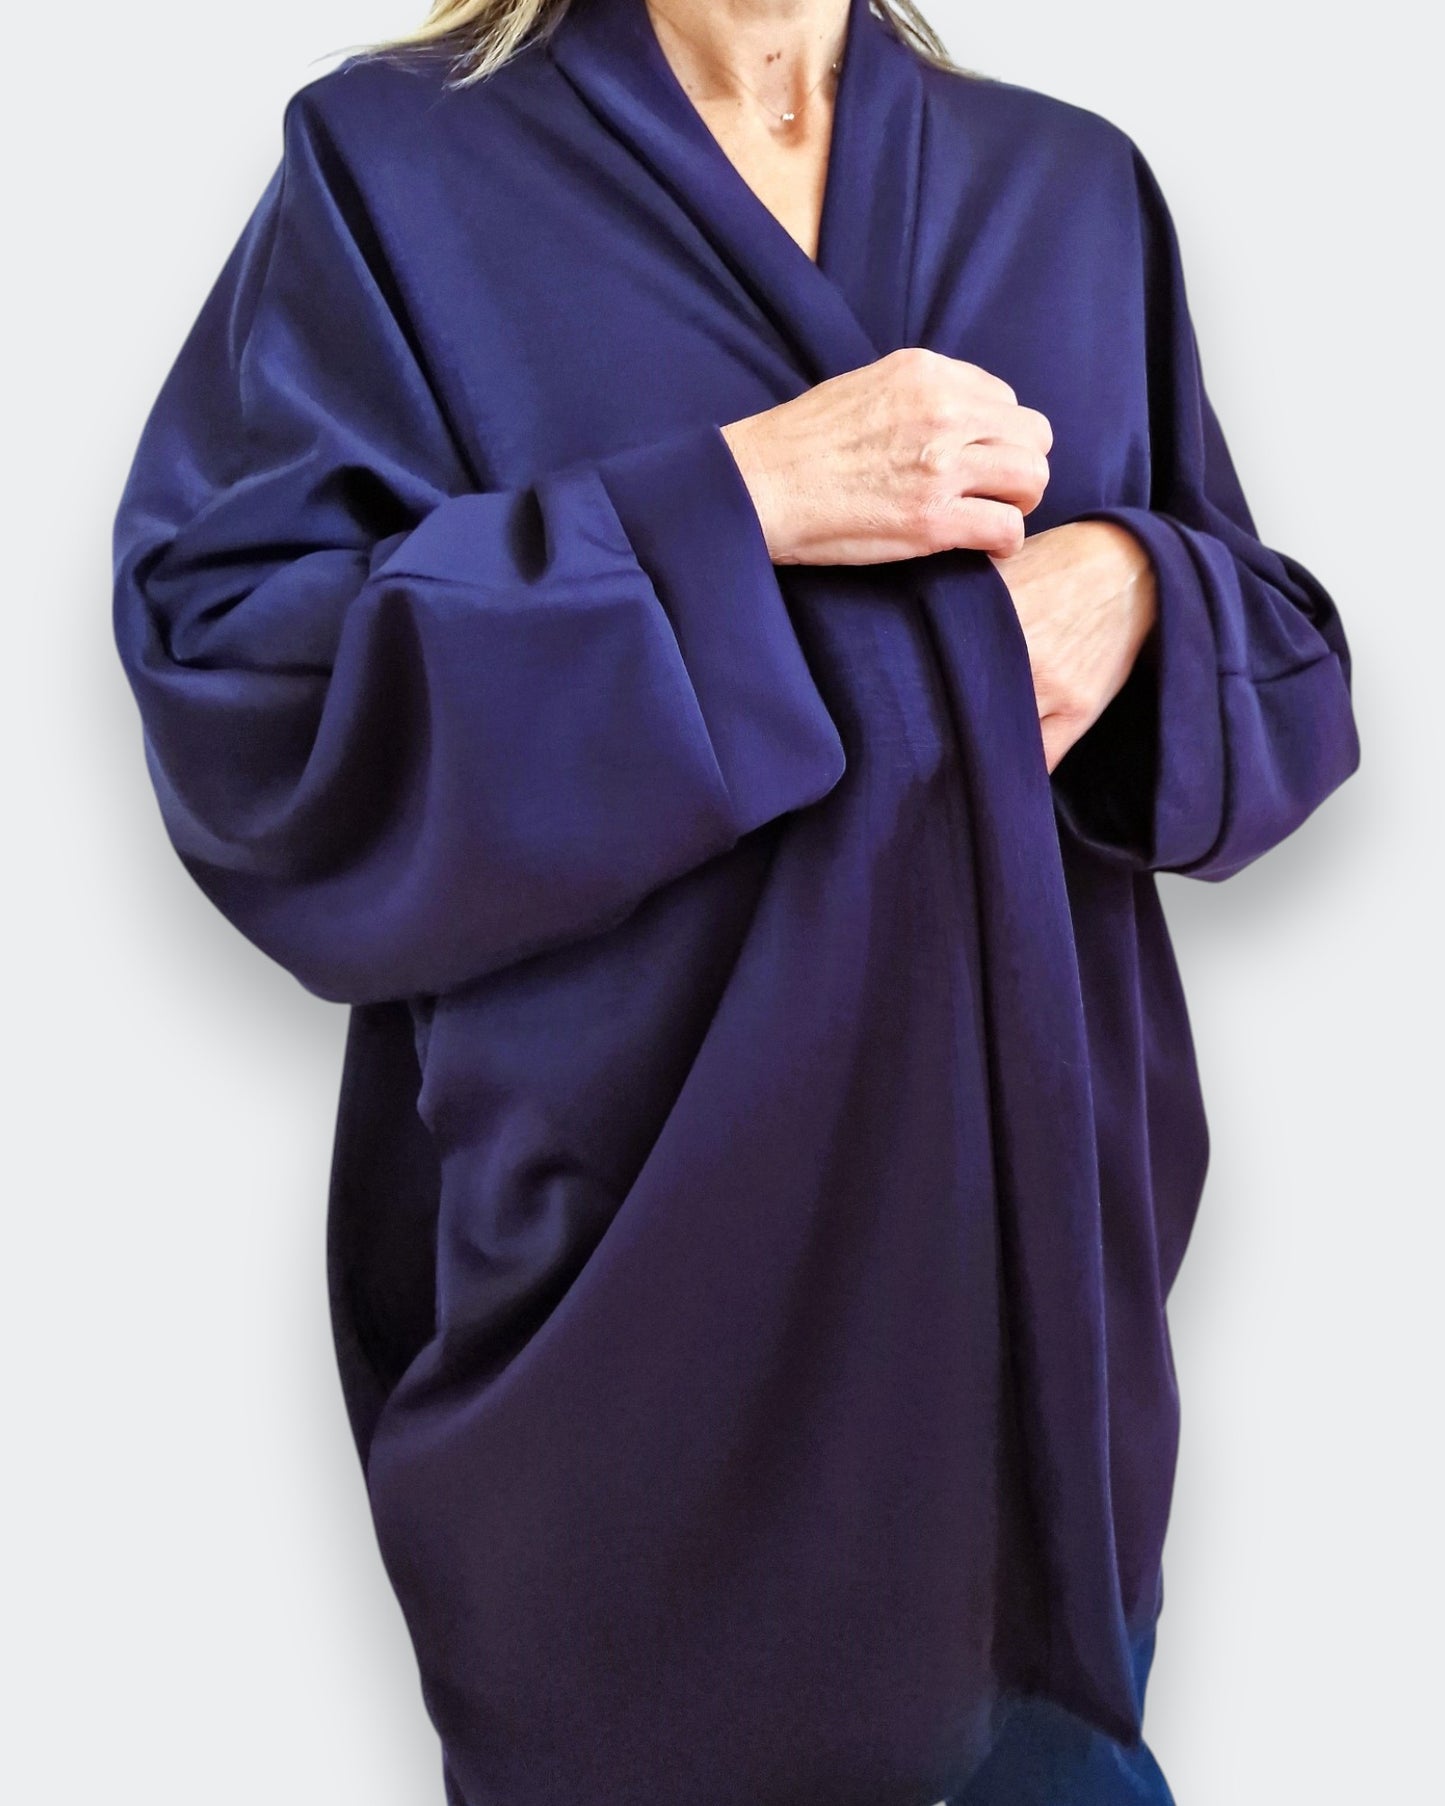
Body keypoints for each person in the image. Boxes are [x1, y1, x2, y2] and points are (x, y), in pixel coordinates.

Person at [109, 0, 1361, 1800]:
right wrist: (734, 501)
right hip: (629, 1378)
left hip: (1037, 1395)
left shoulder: (1067, 187)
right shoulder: (396, 169)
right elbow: (245, 688)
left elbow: (1291, 685)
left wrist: (1140, 585)